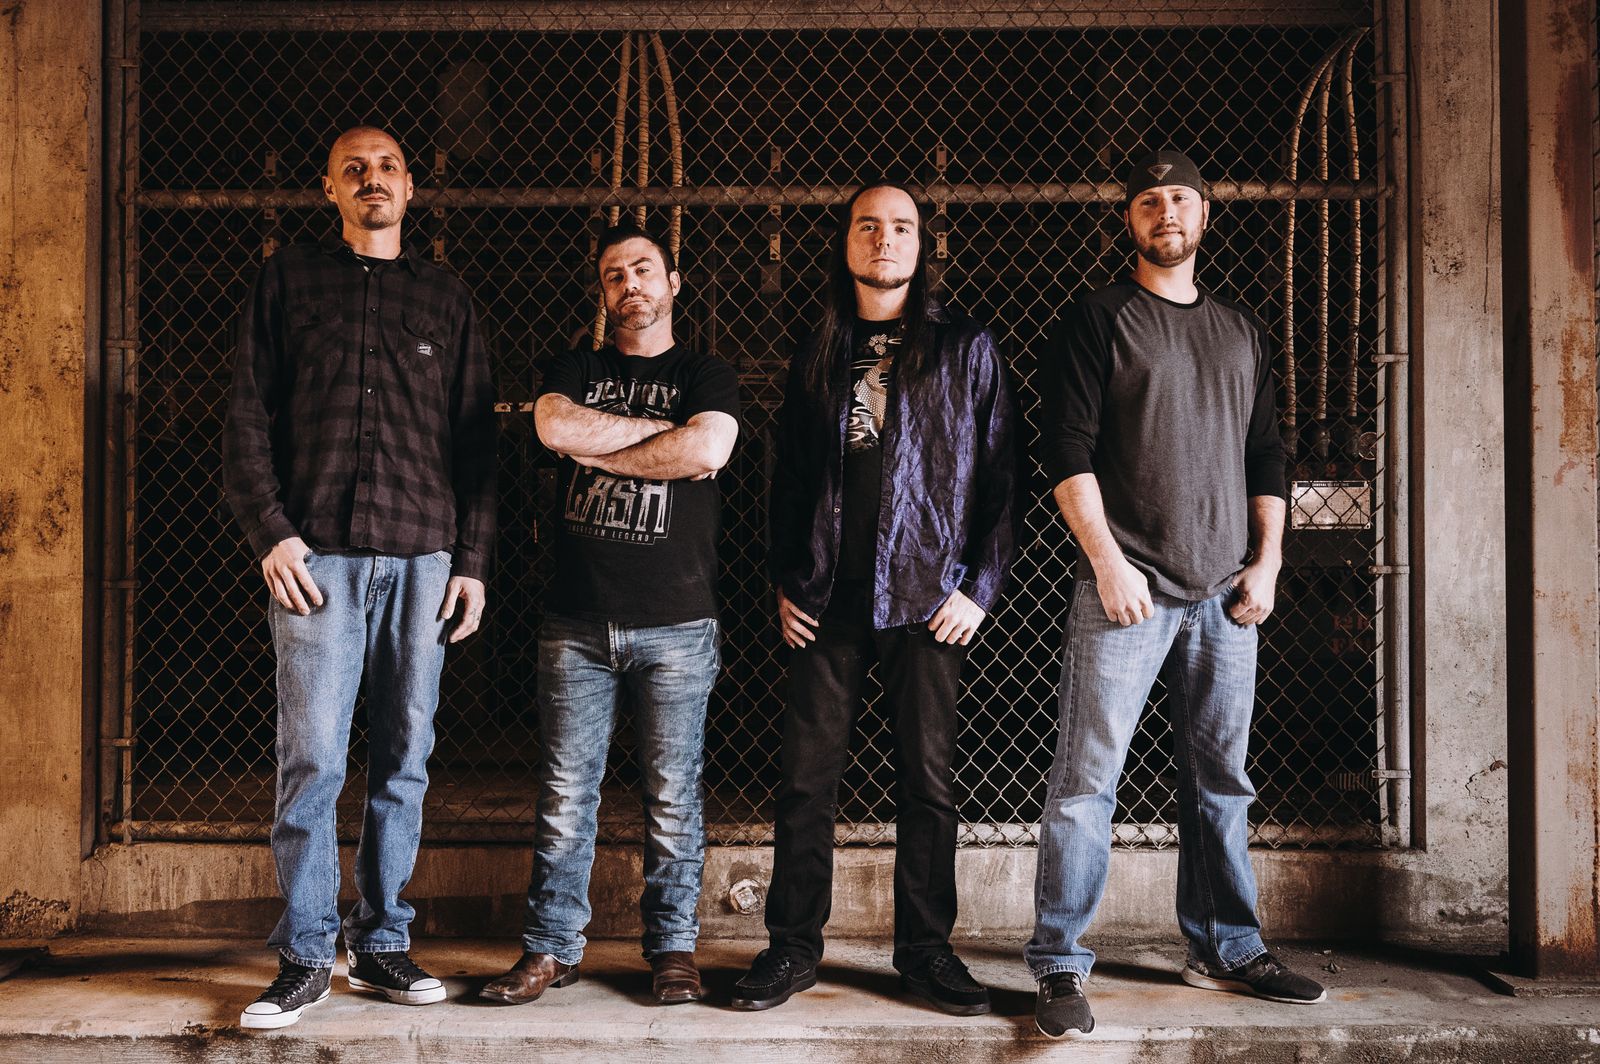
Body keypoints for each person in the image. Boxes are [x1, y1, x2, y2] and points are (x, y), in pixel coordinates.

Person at [1027, 149, 1326, 1039]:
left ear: (1204, 214)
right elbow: (1066, 448)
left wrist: (1267, 562)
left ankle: (1226, 947)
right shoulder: (1099, 318)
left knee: (1222, 782)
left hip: (1226, 596)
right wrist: (1108, 563)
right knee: (1086, 782)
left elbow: (1266, 454)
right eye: (1150, 200)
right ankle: (1059, 964)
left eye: (1181, 198)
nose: (1167, 211)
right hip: (1128, 590)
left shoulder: (1241, 330)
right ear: (1130, 218)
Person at [222, 125, 497, 1029]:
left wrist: (473, 563)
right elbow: (246, 414)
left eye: (386, 168)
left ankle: (380, 946)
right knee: (313, 760)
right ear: (329, 190)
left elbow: (476, 442)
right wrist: (271, 532)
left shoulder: (446, 298)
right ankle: (305, 955)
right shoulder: (289, 282)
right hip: (318, 561)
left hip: (423, 557)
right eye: (354, 170)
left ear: (410, 188)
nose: (371, 180)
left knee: (404, 760)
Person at [732, 181, 1019, 1015]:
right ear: (847, 242)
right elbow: (786, 477)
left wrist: (979, 587)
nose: (884, 239)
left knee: (928, 783)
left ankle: (926, 954)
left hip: (926, 597)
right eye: (868, 226)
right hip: (827, 596)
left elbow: (1003, 476)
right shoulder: (819, 344)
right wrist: (786, 578)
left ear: (921, 246)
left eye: (901, 227)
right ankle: (792, 949)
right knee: (804, 781)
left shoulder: (965, 346)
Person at [479, 224, 739, 1007]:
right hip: (577, 621)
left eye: (644, 270)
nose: (631, 284)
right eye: (615, 274)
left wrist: (597, 450)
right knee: (566, 795)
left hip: (677, 620)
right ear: (603, 290)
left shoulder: (706, 372)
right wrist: (662, 439)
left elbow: (708, 451)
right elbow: (553, 426)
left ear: (673, 283)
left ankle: (673, 951)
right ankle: (551, 949)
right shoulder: (575, 368)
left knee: (674, 796)